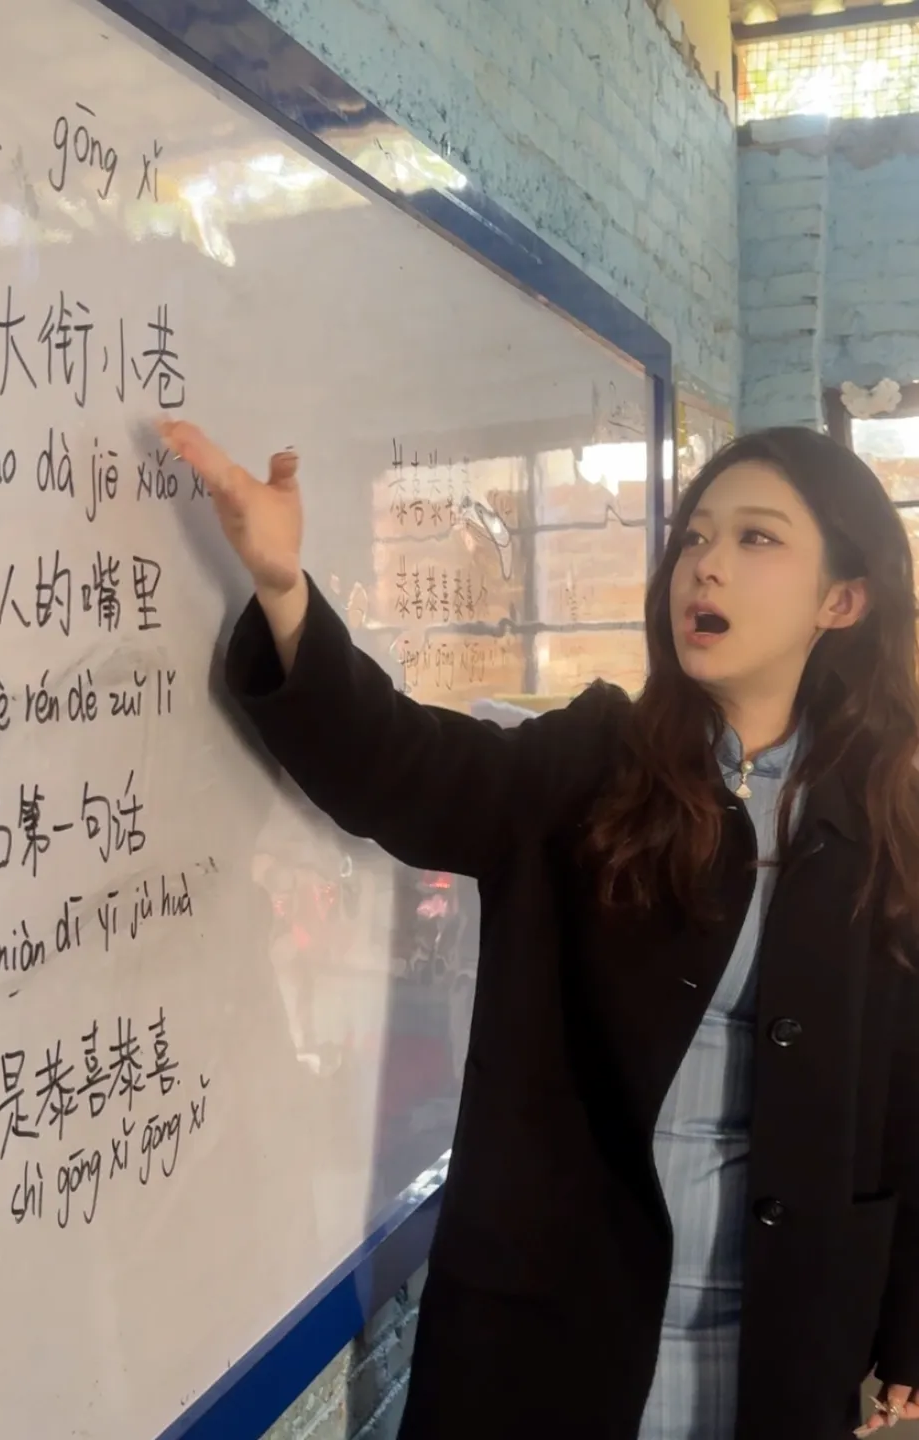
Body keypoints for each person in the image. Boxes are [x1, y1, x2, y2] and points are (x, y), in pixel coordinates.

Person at [161, 417, 919, 1440]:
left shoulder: (881, 821)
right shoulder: (598, 764)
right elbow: (407, 768)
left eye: (757, 539)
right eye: (696, 537)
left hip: (776, 1349)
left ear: (843, 599)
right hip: (557, 1342)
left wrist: (907, 1326)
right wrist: (283, 587)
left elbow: (906, 1090)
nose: (706, 566)